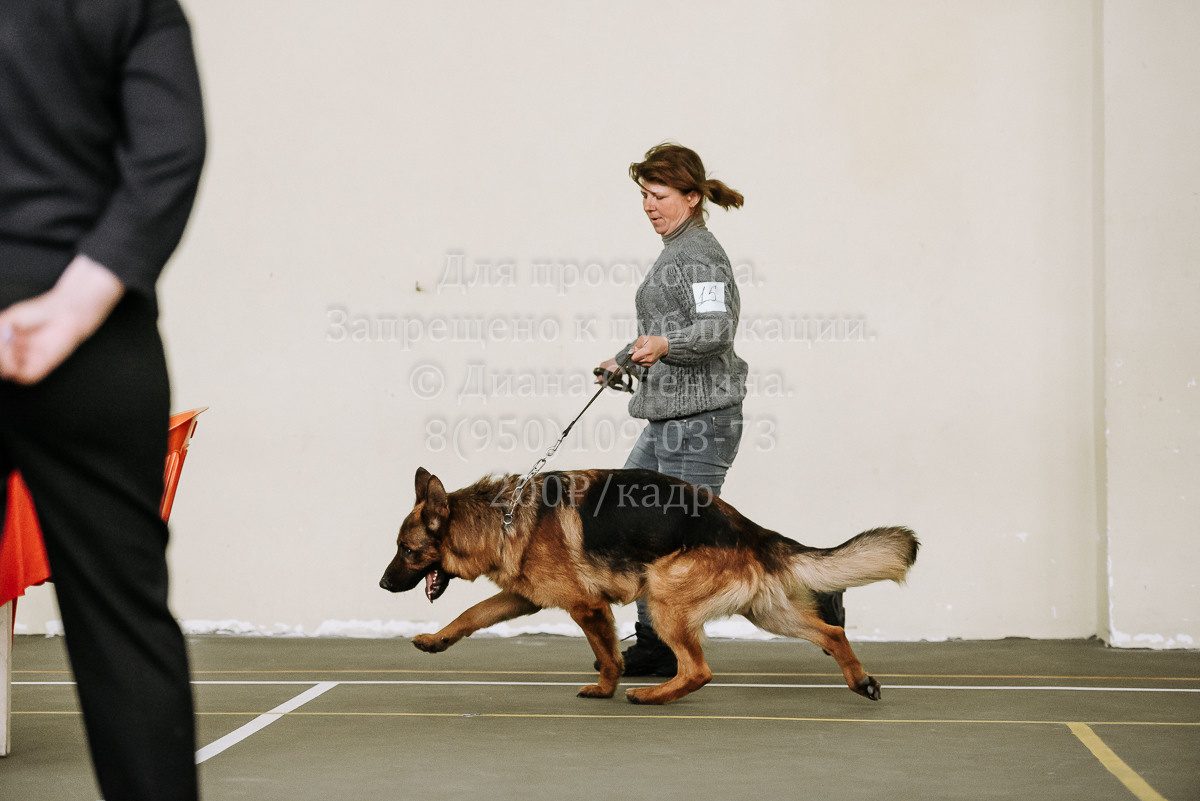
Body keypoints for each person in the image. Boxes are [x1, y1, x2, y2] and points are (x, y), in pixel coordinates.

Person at [0, 2, 206, 799]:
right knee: (124, 623)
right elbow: (171, 150)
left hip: (84, 335)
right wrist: (74, 305)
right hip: (96, 346)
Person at [595, 143, 749, 676]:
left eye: (658, 195)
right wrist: (623, 359)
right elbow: (669, 329)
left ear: (691, 196)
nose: (648, 205)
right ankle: (656, 642)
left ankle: (814, 599)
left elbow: (716, 329)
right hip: (669, 419)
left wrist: (665, 347)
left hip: (701, 422)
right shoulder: (676, 250)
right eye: (643, 195)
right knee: (635, 524)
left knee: (680, 541)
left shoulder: (699, 253)